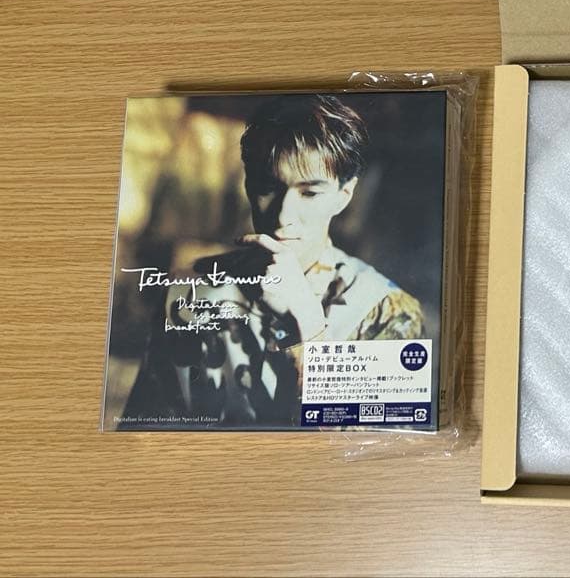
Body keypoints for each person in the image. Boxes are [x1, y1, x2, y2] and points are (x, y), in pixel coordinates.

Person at [121, 95, 423, 427]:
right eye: (268, 187)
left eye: (310, 193)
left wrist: (308, 331)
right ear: (249, 185)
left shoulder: (386, 310)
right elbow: (144, 433)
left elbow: (378, 451)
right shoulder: (188, 288)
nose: (283, 215)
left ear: (344, 196)